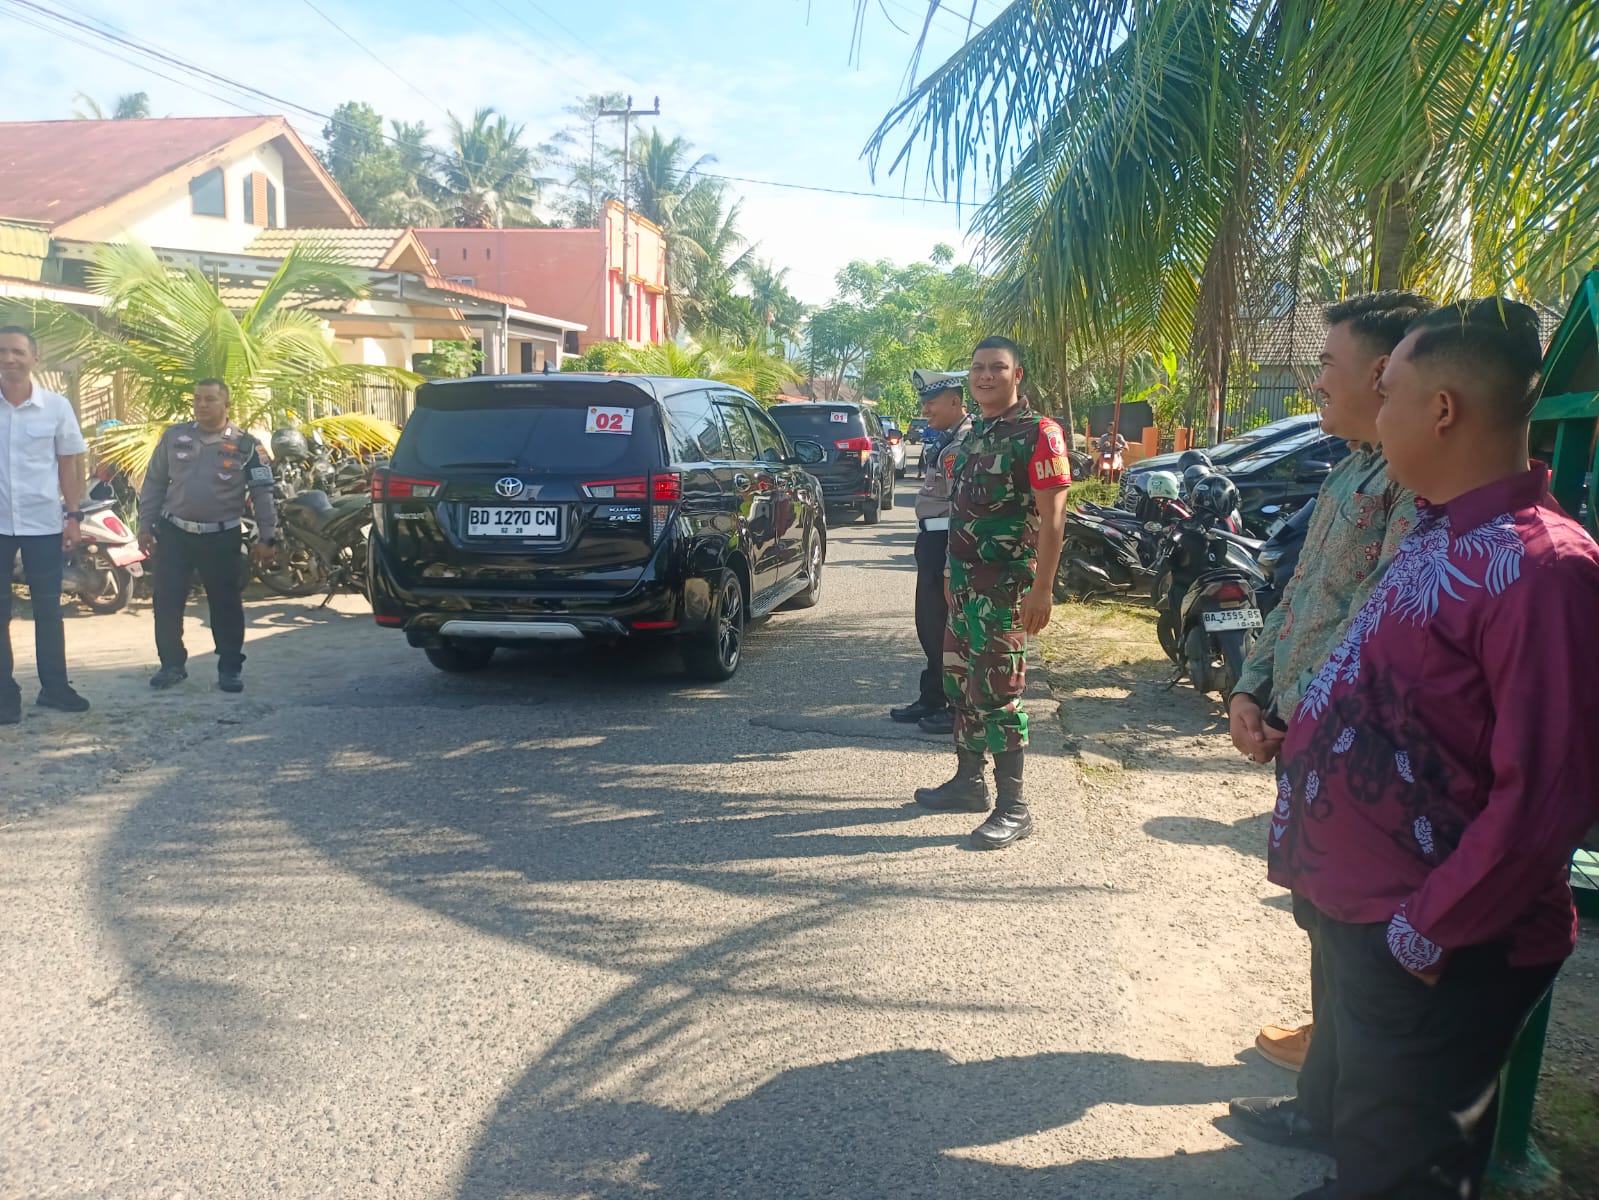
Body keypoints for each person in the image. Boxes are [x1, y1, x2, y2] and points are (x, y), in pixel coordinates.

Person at [1263, 299, 1599, 1200]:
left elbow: (1547, 794)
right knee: (1376, 1134)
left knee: (1407, 1158)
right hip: (1376, 914)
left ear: (1441, 410)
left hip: (1437, 939)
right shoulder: (1440, 528)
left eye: (1389, 392)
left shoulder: (1541, 570)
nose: (1375, 414)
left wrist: (1423, 931)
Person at [1221, 293, 1433, 1112]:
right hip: (1305, 731)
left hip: (1347, 739)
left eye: (1323, 364)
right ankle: (1327, 1065)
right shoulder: (1350, 467)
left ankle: (1332, 1098)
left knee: (1347, 921)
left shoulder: (1410, 484)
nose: (1314, 381)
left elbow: (1372, 616)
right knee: (1317, 910)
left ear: (1382, 373)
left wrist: (1291, 712)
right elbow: (1302, 595)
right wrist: (1249, 685)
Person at [913, 336, 1070, 850]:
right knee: (961, 686)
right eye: (978, 368)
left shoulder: (1039, 434)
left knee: (999, 693)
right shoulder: (976, 432)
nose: (985, 376)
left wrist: (1043, 588)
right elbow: (960, 511)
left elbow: (1053, 517)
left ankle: (1014, 808)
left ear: (1016, 375)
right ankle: (969, 783)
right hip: (964, 587)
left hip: (1005, 590)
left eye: (997, 368)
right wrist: (948, 574)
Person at [138, 380, 278, 693]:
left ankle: (230, 668)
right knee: (167, 601)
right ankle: (171, 664)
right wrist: (145, 525)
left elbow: (262, 493)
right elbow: (154, 483)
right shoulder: (174, 437)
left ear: (226, 405)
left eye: (210, 399)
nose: (201, 405)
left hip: (221, 535)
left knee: (225, 605)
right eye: (197, 399)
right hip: (175, 533)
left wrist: (267, 537)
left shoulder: (247, 446)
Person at [0, 325, 90, 723]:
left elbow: (68, 464)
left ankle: (55, 688)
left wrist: (73, 516)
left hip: (43, 523)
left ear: (35, 359)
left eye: (17, 351)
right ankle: (4, 695)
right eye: (2, 351)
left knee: (48, 608)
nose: (8, 358)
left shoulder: (56, 407)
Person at [890, 369, 974, 735]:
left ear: (955, 402)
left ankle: (956, 706)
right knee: (929, 624)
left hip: (947, 542)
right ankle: (933, 696)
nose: (925, 410)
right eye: (923, 403)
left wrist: (950, 563)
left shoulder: (964, 443)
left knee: (944, 627)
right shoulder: (948, 439)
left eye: (932, 403)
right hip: (932, 540)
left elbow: (963, 507)